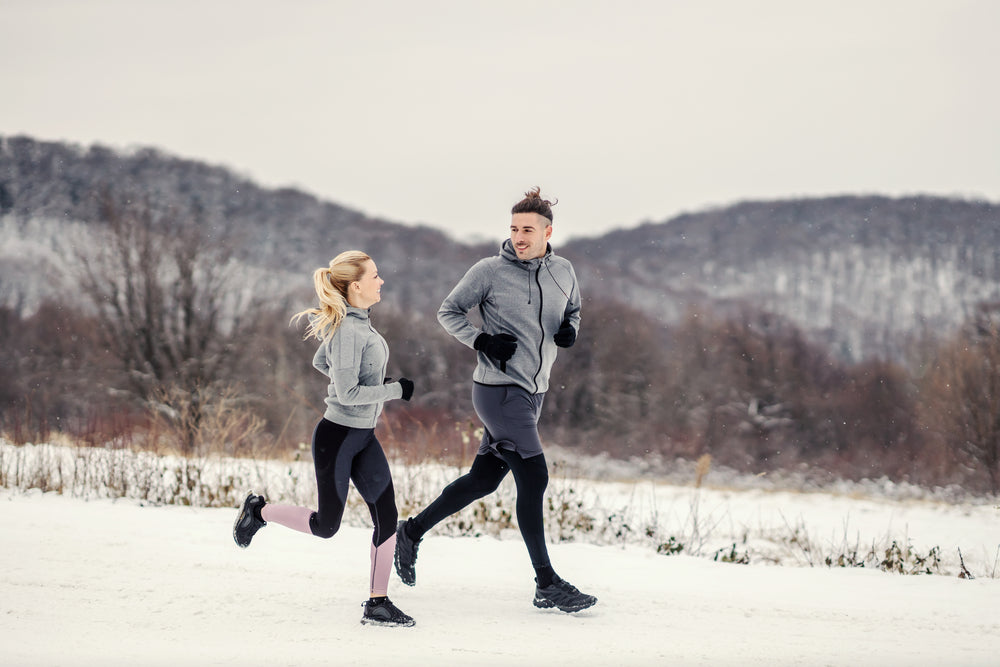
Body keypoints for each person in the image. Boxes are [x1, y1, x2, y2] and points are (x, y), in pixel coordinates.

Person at [394, 187, 597, 613]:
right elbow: (448, 312)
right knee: (534, 477)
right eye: (513, 229)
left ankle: (411, 531)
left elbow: (574, 310)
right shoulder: (488, 271)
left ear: (547, 231)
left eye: (527, 229)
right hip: (499, 390)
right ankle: (547, 582)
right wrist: (481, 339)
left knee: (483, 480)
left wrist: (570, 330)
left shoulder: (564, 271)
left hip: (534, 391)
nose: (519, 237)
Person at [233, 250, 416, 627]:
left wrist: (369, 384)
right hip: (337, 436)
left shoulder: (359, 323)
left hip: (363, 436)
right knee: (326, 526)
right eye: (375, 276)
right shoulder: (349, 329)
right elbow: (347, 393)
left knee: (387, 514)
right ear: (356, 286)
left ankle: (378, 603)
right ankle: (258, 511)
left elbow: (322, 362)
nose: (381, 281)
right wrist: (394, 390)